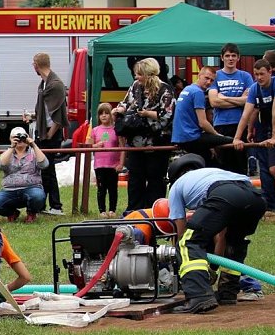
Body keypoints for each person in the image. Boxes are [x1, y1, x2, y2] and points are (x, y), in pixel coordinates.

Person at [166, 154, 266, 314]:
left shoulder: (177, 186)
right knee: (234, 243)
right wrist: (212, 266)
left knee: (188, 242)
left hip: (225, 195)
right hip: (255, 198)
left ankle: (199, 296)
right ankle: (228, 293)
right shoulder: (212, 174)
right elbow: (221, 235)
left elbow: (180, 229)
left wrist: (182, 261)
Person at [112, 57, 175, 214]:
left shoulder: (165, 89)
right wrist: (119, 110)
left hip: (157, 142)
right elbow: (126, 102)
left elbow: (167, 116)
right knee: (135, 177)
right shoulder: (135, 87)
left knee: (155, 177)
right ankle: (134, 210)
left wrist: (146, 114)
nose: (136, 77)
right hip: (136, 142)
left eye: (139, 74)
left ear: (149, 74)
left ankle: (153, 210)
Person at [234, 59, 275, 214]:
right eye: (256, 74)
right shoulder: (254, 89)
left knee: (274, 169)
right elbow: (248, 113)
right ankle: (270, 205)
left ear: (270, 72)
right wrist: (240, 136)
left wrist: (274, 137)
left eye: (262, 74)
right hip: (265, 128)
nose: (259, 77)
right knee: (266, 168)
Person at [26, 52, 66, 216]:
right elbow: (45, 111)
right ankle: (43, 204)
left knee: (48, 169)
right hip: (42, 133)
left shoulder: (55, 84)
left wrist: (50, 133)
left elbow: (59, 113)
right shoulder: (43, 84)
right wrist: (33, 117)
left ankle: (56, 206)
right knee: (43, 170)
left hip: (51, 135)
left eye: (33, 64)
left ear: (37, 64)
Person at [0, 127, 49, 223]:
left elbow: (44, 165)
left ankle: (31, 213)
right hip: (9, 190)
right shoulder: (7, 153)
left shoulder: (34, 152)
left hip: (31, 188)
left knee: (38, 196)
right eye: (16, 137)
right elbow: (0, 165)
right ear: (10, 139)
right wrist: (12, 147)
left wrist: (33, 145)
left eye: (23, 137)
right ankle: (12, 213)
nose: (20, 140)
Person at [208, 43, 253, 174]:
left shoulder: (245, 76)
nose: (230, 58)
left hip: (240, 124)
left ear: (238, 58)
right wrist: (239, 101)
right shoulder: (215, 76)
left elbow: (249, 101)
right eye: (227, 56)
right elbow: (214, 102)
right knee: (224, 164)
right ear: (222, 58)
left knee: (240, 164)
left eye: (233, 55)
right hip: (221, 124)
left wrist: (224, 98)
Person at [172, 67, 230, 166]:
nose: (208, 82)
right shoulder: (198, 92)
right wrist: (216, 134)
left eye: (212, 80)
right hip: (191, 137)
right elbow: (203, 123)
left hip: (179, 137)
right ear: (199, 75)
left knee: (208, 160)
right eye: (206, 78)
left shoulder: (187, 89)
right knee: (231, 141)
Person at [87, 103, 124, 218]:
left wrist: (121, 163)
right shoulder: (95, 130)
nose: (104, 116)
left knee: (113, 189)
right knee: (101, 189)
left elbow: (123, 147)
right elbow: (88, 146)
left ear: (111, 115)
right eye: (101, 113)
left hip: (113, 165)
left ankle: (112, 209)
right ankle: (102, 210)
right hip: (99, 165)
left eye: (106, 113)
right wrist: (96, 145)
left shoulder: (116, 130)